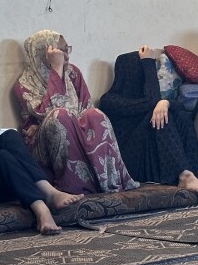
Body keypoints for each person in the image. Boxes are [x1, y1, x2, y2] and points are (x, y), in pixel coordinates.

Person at [14, 30, 139, 195]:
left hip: (75, 130)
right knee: (60, 116)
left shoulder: (73, 73)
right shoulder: (25, 84)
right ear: (42, 54)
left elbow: (85, 108)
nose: (65, 56)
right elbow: (49, 112)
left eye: (67, 49)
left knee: (95, 115)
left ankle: (108, 182)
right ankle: (72, 185)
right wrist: (56, 70)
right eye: (59, 52)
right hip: (43, 145)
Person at [0, 83, 84, 235]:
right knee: (9, 137)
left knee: (3, 156)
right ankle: (48, 192)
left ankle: (42, 209)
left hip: (7, 185)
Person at [100, 45, 198, 194]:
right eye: (144, 73)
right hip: (134, 163)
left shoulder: (147, 100)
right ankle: (185, 175)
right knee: (158, 115)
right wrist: (147, 62)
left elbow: (174, 105)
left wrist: (165, 102)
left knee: (179, 114)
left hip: (155, 156)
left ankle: (192, 174)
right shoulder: (110, 100)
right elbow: (151, 101)